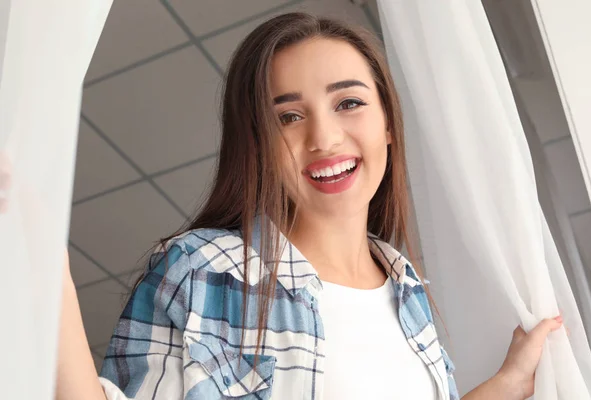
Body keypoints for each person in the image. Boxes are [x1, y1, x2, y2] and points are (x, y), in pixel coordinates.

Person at [55, 12, 564, 400]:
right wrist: (41, 254)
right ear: (257, 143)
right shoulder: (202, 269)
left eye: (349, 103)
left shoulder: (408, 290)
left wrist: (507, 383)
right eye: (289, 116)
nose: (324, 137)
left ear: (388, 124)